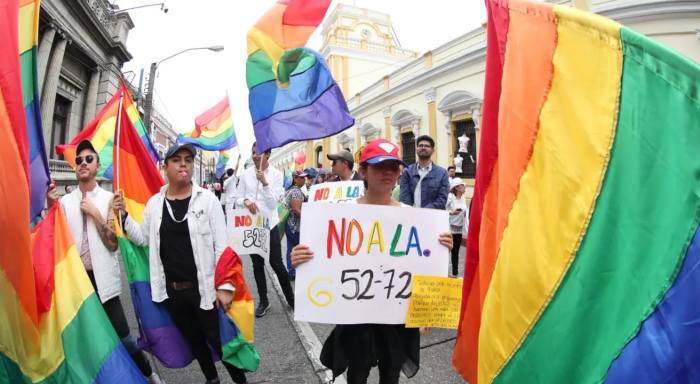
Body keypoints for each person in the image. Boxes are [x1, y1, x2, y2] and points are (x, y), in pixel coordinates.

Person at [291, 138, 453, 384]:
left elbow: (424, 267)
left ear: (400, 173)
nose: (388, 172)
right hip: (358, 317)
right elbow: (322, 258)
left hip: (396, 317)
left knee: (391, 373)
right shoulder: (338, 214)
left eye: (394, 166)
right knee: (358, 372)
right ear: (364, 171)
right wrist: (300, 258)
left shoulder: (415, 219)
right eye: (380, 166)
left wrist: (443, 248)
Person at [113, 143, 247, 384]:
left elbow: (223, 248)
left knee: (221, 342)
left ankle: (240, 382)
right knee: (194, 340)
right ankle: (211, 379)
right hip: (173, 292)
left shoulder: (207, 201)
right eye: (176, 160)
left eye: (188, 159)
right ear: (165, 167)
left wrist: (225, 287)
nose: (183, 163)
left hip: (204, 290)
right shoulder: (155, 204)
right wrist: (123, 216)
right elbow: (143, 238)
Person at [46, 139, 162, 384]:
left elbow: (111, 244)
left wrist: (96, 214)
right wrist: (50, 205)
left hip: (104, 283)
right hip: (77, 285)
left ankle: (149, 374)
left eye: (89, 159)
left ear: (97, 166)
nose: (83, 163)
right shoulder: (65, 203)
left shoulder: (110, 199)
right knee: (81, 339)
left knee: (124, 338)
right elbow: (55, 240)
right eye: (79, 160)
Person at [233, 142, 295, 317]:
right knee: (257, 264)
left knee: (276, 263)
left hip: (269, 225)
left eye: (258, 152)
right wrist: (245, 201)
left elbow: (273, 203)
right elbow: (236, 198)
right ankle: (264, 301)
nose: (254, 155)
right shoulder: (245, 175)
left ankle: (291, 299)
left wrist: (265, 183)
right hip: (251, 225)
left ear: (267, 154)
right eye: (252, 152)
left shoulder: (276, 174)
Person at [399, 135, 449, 209]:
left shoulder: (442, 173)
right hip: (411, 216)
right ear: (416, 149)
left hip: (433, 216)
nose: (423, 147)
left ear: (433, 150)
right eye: (420, 145)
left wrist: (423, 212)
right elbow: (404, 197)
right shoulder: (407, 172)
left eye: (427, 146)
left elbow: (442, 199)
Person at [284, 170, 307, 280]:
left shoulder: (290, 190)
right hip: (295, 226)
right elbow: (296, 210)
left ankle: (292, 271)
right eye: (301, 178)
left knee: (291, 248)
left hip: (289, 224)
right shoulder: (296, 192)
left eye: (304, 178)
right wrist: (309, 219)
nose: (304, 180)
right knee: (299, 248)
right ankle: (294, 271)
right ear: (295, 179)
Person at [446, 178, 467, 277]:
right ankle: (443, 272)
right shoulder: (450, 197)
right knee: (446, 251)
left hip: (459, 229)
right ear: (457, 187)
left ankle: (455, 273)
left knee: (456, 252)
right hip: (449, 228)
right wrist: (452, 212)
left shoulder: (463, 198)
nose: (464, 187)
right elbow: (442, 210)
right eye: (462, 185)